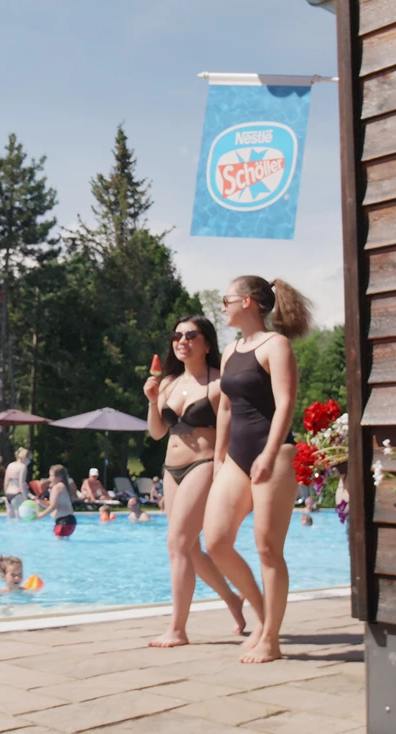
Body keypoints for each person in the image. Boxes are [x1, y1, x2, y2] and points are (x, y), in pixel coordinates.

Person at [203, 275, 313, 664]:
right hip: (235, 457)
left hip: (275, 453)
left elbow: (286, 403)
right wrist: (219, 460)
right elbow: (227, 409)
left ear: (248, 302)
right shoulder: (231, 350)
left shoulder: (276, 345)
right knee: (216, 541)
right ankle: (264, 616)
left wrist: (268, 454)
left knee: (267, 548)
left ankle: (271, 638)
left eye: (226, 298)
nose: (223, 305)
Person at [144, 313, 246, 647]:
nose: (182, 341)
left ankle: (177, 629)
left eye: (190, 335)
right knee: (190, 548)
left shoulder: (219, 383)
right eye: (177, 336)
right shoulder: (170, 383)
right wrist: (152, 400)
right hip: (171, 469)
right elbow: (158, 433)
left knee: (176, 544)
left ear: (206, 342)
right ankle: (233, 600)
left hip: (203, 465)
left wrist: (220, 474)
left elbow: (227, 434)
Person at [36, 465, 76, 537]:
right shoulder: (63, 486)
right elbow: (54, 504)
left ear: (59, 477)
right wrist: (40, 502)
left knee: (59, 546)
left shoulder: (57, 487)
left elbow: (53, 506)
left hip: (63, 522)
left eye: (51, 475)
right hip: (69, 521)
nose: (49, 478)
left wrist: (40, 516)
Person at [4, 448, 33, 519]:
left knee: (9, 517)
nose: (29, 462)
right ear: (26, 457)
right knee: (18, 518)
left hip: (8, 494)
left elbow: (6, 482)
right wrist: (25, 498)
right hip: (17, 494)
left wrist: (6, 493)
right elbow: (21, 483)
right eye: (29, 459)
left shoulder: (10, 465)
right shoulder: (23, 467)